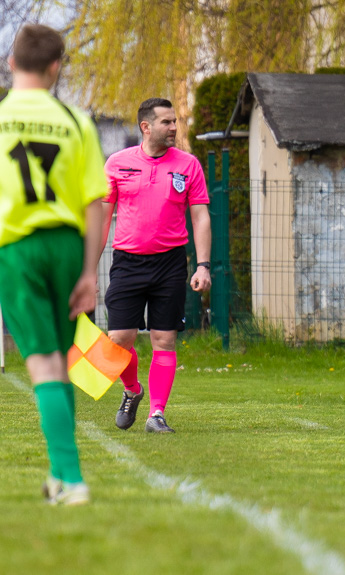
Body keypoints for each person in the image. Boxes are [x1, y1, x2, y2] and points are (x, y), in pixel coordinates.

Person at [0, 24, 106, 504]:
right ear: (55, 67)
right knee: (60, 362)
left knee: (41, 363)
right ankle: (61, 478)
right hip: (66, 245)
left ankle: (72, 478)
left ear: (10, 62)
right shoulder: (75, 120)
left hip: (17, 247)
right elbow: (94, 203)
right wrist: (89, 272)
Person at [101, 98, 211, 433]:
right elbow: (102, 218)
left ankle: (156, 414)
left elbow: (201, 216)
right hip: (127, 262)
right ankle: (132, 391)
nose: (174, 128)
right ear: (145, 127)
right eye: (167, 122)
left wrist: (203, 265)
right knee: (119, 338)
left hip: (170, 263)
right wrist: (85, 270)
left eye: (175, 121)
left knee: (164, 339)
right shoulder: (117, 163)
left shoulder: (188, 165)